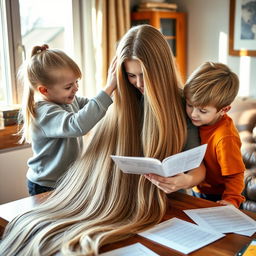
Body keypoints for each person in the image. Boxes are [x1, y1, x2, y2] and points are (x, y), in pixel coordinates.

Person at [0, 25, 205, 256]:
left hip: (171, 201)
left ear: (162, 68)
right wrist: (109, 90)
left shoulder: (185, 105)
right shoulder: (122, 102)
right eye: (130, 75)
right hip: (96, 197)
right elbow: (82, 122)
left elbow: (199, 168)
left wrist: (185, 181)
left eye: (144, 75)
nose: (138, 83)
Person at [18, 44, 117, 195]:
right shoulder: (43, 112)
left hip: (67, 180)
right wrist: (108, 88)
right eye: (68, 86)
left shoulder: (68, 100)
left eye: (76, 82)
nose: (76, 88)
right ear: (44, 90)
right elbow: (77, 125)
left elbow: (92, 107)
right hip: (46, 184)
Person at [184, 62, 245, 208]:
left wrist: (231, 200)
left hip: (221, 196)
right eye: (189, 105)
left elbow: (235, 175)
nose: (193, 114)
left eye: (202, 111)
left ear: (224, 110)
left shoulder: (225, 137)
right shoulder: (197, 121)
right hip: (197, 188)